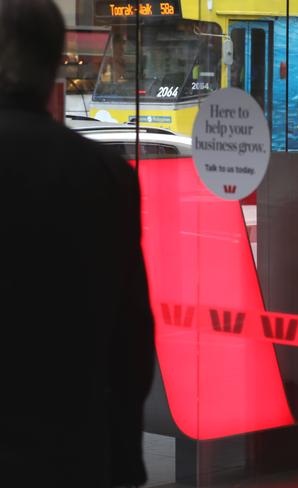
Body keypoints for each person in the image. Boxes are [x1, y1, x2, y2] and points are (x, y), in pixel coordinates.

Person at [0, 1, 155, 487]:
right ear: (55, 67)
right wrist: (124, 458)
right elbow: (131, 341)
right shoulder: (107, 176)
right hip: (70, 454)